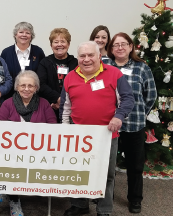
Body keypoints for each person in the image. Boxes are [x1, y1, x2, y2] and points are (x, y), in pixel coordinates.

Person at [60, 41, 134, 216]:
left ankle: (104, 209)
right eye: (82, 56)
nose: (86, 59)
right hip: (79, 135)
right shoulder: (70, 77)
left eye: (90, 55)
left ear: (99, 56)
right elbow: (65, 107)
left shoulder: (114, 74)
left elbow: (128, 98)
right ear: (77, 58)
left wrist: (119, 116)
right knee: (78, 171)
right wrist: (65, 130)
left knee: (106, 174)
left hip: (106, 134)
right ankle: (79, 205)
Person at [103, 32, 157, 214]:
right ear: (111, 49)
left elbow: (151, 96)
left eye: (123, 44)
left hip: (134, 125)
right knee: (106, 165)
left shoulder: (142, 68)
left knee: (135, 165)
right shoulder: (104, 65)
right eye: (115, 45)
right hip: (108, 125)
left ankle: (135, 199)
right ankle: (103, 199)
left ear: (131, 46)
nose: (119, 47)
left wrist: (139, 113)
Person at [0, 70, 56, 216]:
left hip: (38, 152)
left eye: (30, 85)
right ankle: (14, 201)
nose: (26, 89)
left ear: (36, 88)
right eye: (23, 85)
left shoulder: (44, 104)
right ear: (17, 87)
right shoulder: (8, 104)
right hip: (12, 152)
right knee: (12, 166)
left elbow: (53, 127)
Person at [37, 28, 77, 122]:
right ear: (51, 45)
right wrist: (57, 99)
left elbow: (79, 84)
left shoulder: (76, 63)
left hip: (72, 108)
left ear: (68, 44)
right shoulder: (44, 62)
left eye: (63, 41)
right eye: (56, 42)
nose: (59, 44)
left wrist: (64, 102)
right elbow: (41, 84)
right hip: (50, 107)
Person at [0, 22, 45, 98]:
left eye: (27, 33)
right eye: (21, 32)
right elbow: (2, 76)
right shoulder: (6, 53)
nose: (24, 35)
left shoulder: (38, 52)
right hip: (10, 97)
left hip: (34, 97)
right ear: (15, 35)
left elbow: (42, 75)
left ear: (31, 36)